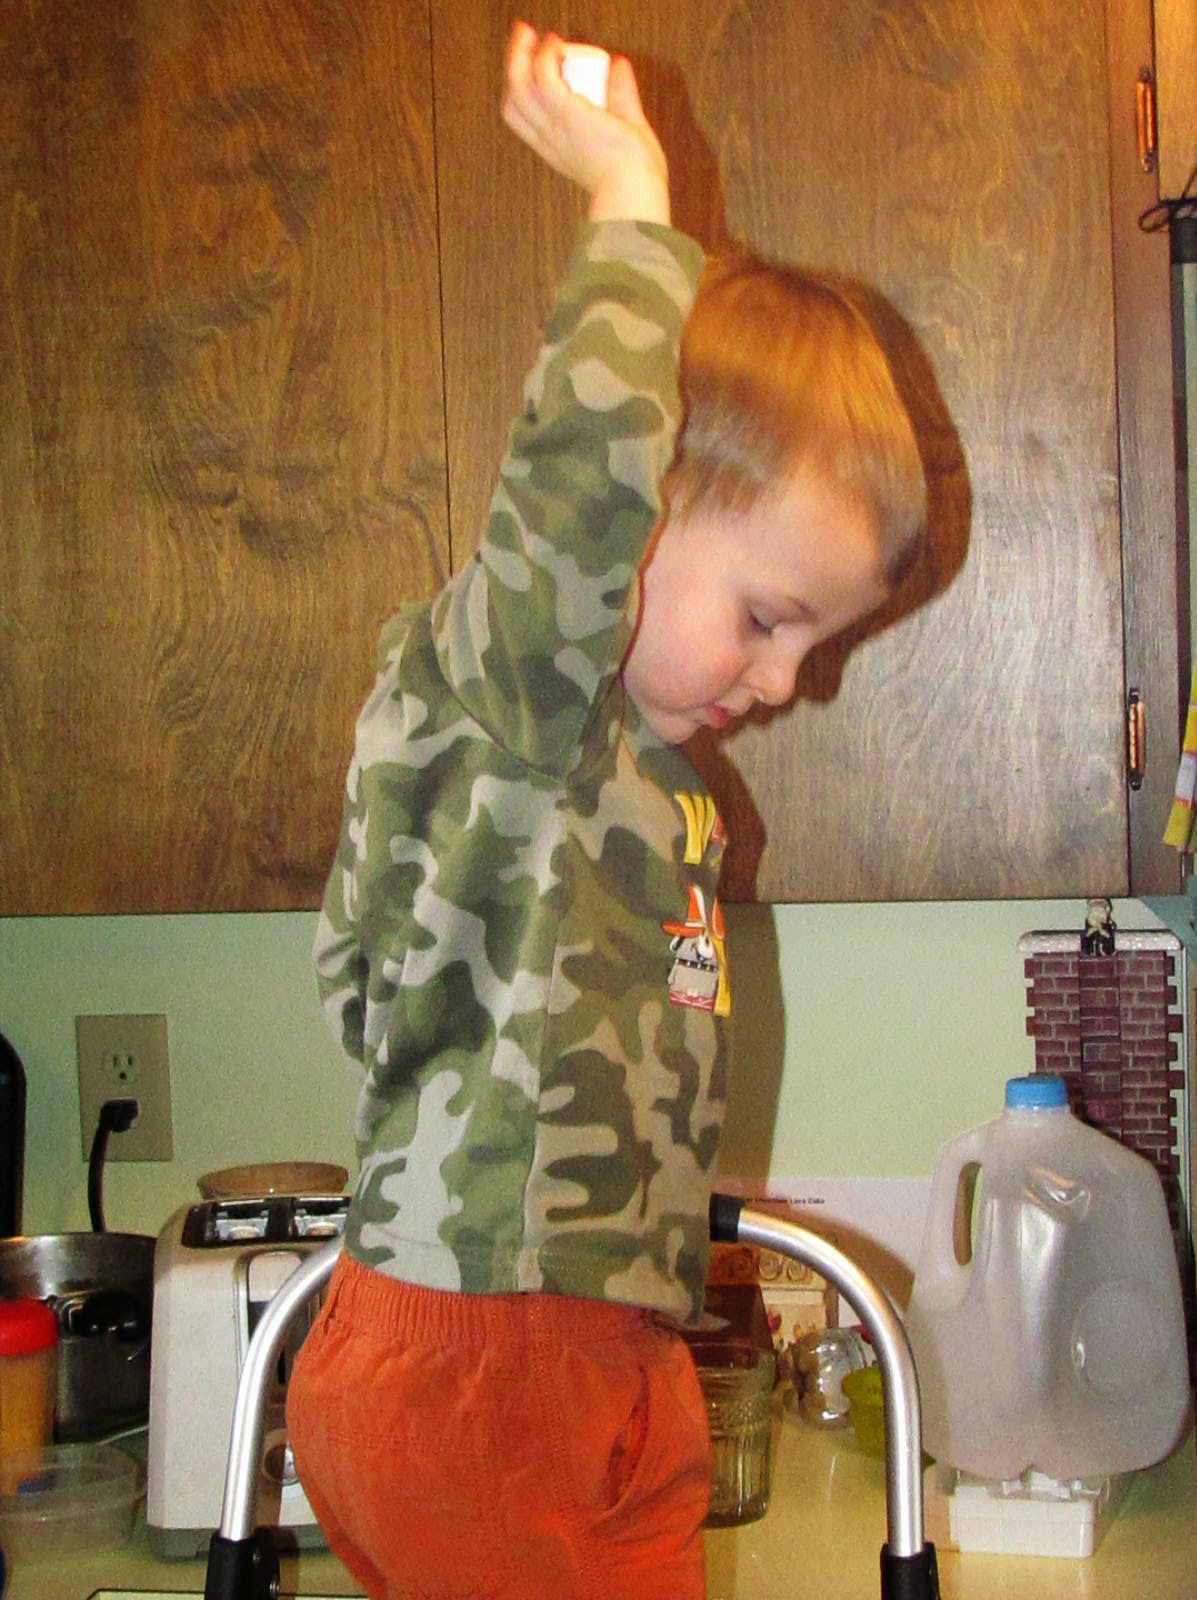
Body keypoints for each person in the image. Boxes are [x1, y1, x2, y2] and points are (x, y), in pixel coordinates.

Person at [286, 20, 926, 1600]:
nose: (786, 682)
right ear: (642, 514)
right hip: (478, 1353)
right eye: (768, 618)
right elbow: (576, 479)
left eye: (815, 646)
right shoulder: (523, 701)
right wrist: (633, 203)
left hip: (597, 1352)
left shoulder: (658, 790)